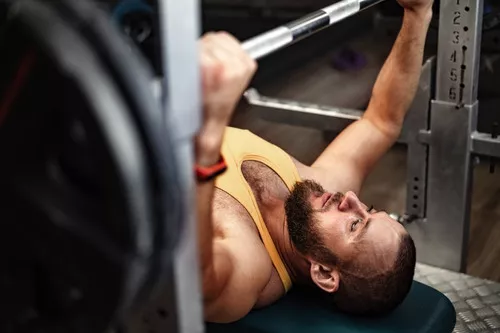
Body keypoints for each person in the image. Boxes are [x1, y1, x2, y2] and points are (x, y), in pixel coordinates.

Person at [196, 0, 433, 324]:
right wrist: (418, 13)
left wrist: (208, 134)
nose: (350, 199)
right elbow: (382, 121)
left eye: (355, 224)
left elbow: (197, 278)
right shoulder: (314, 190)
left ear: (323, 272)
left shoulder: (250, 266)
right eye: (368, 209)